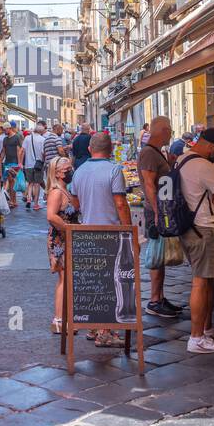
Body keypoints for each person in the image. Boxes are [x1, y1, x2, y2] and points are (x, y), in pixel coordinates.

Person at [69, 132, 132, 347]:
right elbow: (121, 203)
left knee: (93, 282)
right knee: (111, 282)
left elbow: (75, 203)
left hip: (86, 233)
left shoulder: (79, 171)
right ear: (111, 149)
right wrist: (129, 232)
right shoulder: (114, 170)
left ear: (89, 149)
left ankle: (94, 327)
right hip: (111, 233)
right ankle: (106, 332)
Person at [175, 127, 214, 354]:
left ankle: (206, 330)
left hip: (188, 226)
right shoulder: (204, 165)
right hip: (203, 228)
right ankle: (196, 338)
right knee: (200, 281)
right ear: (210, 146)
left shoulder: (181, 159)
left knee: (208, 280)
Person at [139, 115, 182, 319]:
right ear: (163, 131)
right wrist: (157, 212)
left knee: (161, 255)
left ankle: (160, 297)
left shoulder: (157, 152)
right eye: (170, 130)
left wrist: (170, 165)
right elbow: (149, 184)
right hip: (155, 210)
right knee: (157, 254)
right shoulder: (148, 153)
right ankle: (154, 300)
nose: (171, 134)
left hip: (161, 208)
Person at [46, 155, 79, 335]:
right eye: (67, 170)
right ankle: (59, 320)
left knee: (67, 279)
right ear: (58, 173)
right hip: (60, 239)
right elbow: (51, 216)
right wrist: (69, 228)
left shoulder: (65, 190)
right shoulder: (56, 192)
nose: (70, 172)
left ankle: (63, 318)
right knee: (64, 278)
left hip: (67, 237)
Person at [21, 121, 47, 211]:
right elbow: (44, 153)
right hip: (38, 164)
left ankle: (28, 199)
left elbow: (22, 151)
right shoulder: (43, 140)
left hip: (28, 164)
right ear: (41, 131)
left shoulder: (27, 138)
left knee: (30, 183)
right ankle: (35, 204)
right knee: (37, 184)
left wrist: (21, 163)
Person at [0, 122, 22, 206]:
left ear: (9, 128)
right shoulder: (5, 139)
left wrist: (19, 163)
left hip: (14, 162)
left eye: (5, 130)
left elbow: (19, 150)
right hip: (7, 162)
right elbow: (3, 152)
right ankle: (12, 200)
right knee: (10, 181)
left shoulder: (16, 137)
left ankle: (13, 201)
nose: (4, 131)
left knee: (12, 181)